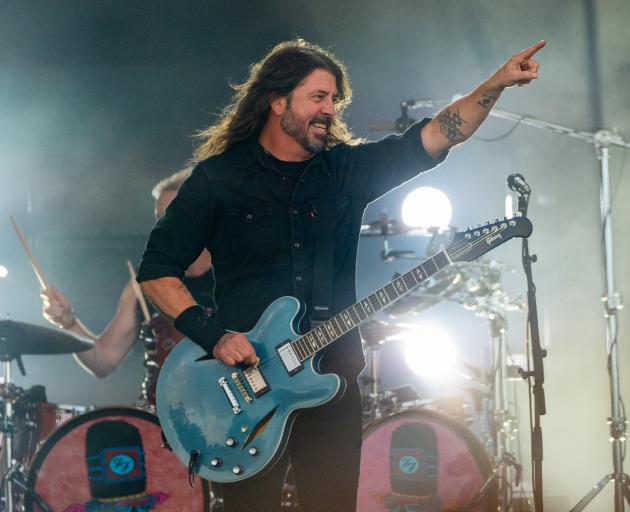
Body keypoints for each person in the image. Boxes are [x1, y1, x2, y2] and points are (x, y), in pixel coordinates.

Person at [136, 39, 544, 511]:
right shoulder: (219, 178)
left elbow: (438, 135)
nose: (330, 109)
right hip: (243, 392)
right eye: (318, 97)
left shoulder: (344, 172)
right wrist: (215, 337)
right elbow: (157, 270)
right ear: (277, 101)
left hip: (331, 383)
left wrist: (496, 83)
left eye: (334, 100)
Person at [41, 168, 214, 380]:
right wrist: (68, 322)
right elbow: (103, 360)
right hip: (169, 408)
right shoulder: (144, 284)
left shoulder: (238, 271)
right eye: (160, 218)